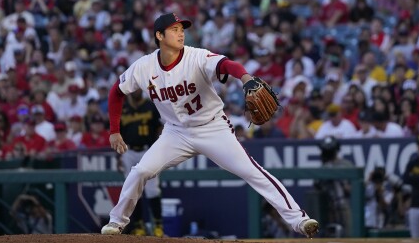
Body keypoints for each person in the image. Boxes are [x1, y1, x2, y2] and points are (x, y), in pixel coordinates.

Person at [101, 13, 319, 238]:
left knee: (252, 171)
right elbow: (116, 92)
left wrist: (245, 78)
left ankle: (300, 220)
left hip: (212, 128)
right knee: (140, 171)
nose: (180, 33)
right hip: (175, 133)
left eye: (182, 29)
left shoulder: (197, 57)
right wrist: (114, 131)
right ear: (159, 35)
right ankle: (116, 222)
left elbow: (226, 64)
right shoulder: (144, 66)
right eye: (174, 29)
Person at [118, 89, 164, 237]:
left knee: (152, 189)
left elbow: (160, 128)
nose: (136, 91)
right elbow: (118, 133)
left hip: (148, 150)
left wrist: (159, 147)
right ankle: (138, 226)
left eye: (138, 88)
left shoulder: (150, 105)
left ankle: (157, 225)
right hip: (128, 151)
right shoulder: (123, 108)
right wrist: (118, 156)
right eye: (134, 88)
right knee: (132, 190)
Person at [314, 135, 354, 237]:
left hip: (345, 205)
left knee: (349, 235)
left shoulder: (346, 165)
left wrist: (344, 185)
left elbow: (354, 188)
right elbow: (317, 187)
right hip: (328, 208)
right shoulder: (322, 168)